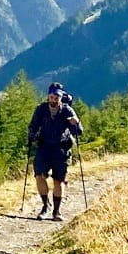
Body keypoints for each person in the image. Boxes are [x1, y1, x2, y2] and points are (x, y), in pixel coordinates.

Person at [27, 82, 82, 221]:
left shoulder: (67, 110)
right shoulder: (41, 109)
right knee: (39, 176)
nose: (53, 100)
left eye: (56, 97)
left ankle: (56, 212)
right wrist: (31, 134)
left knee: (59, 181)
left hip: (61, 150)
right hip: (44, 148)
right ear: (48, 96)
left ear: (60, 97)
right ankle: (46, 206)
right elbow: (33, 125)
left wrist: (75, 122)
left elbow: (78, 132)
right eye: (51, 97)